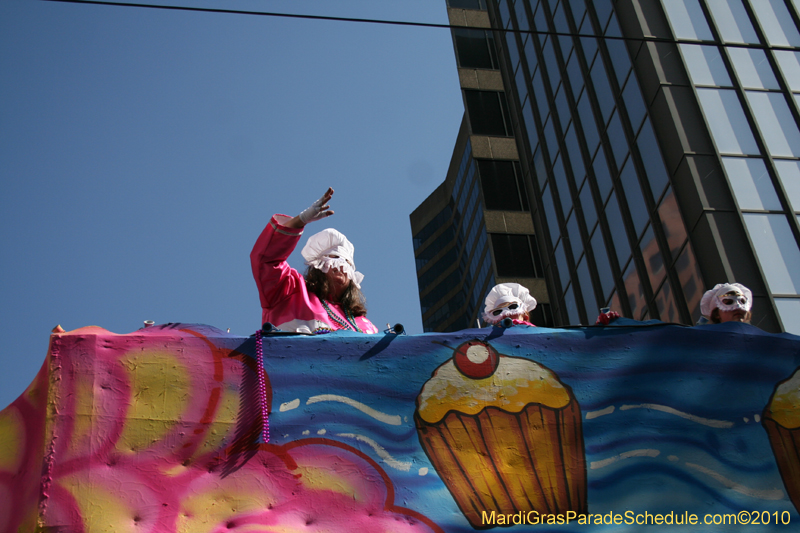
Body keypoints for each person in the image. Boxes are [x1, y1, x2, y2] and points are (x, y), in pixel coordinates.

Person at [250, 188, 379, 334]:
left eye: (347, 263)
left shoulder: (366, 324)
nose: (341, 267)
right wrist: (300, 220)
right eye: (334, 259)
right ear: (319, 266)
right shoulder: (290, 290)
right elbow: (266, 260)